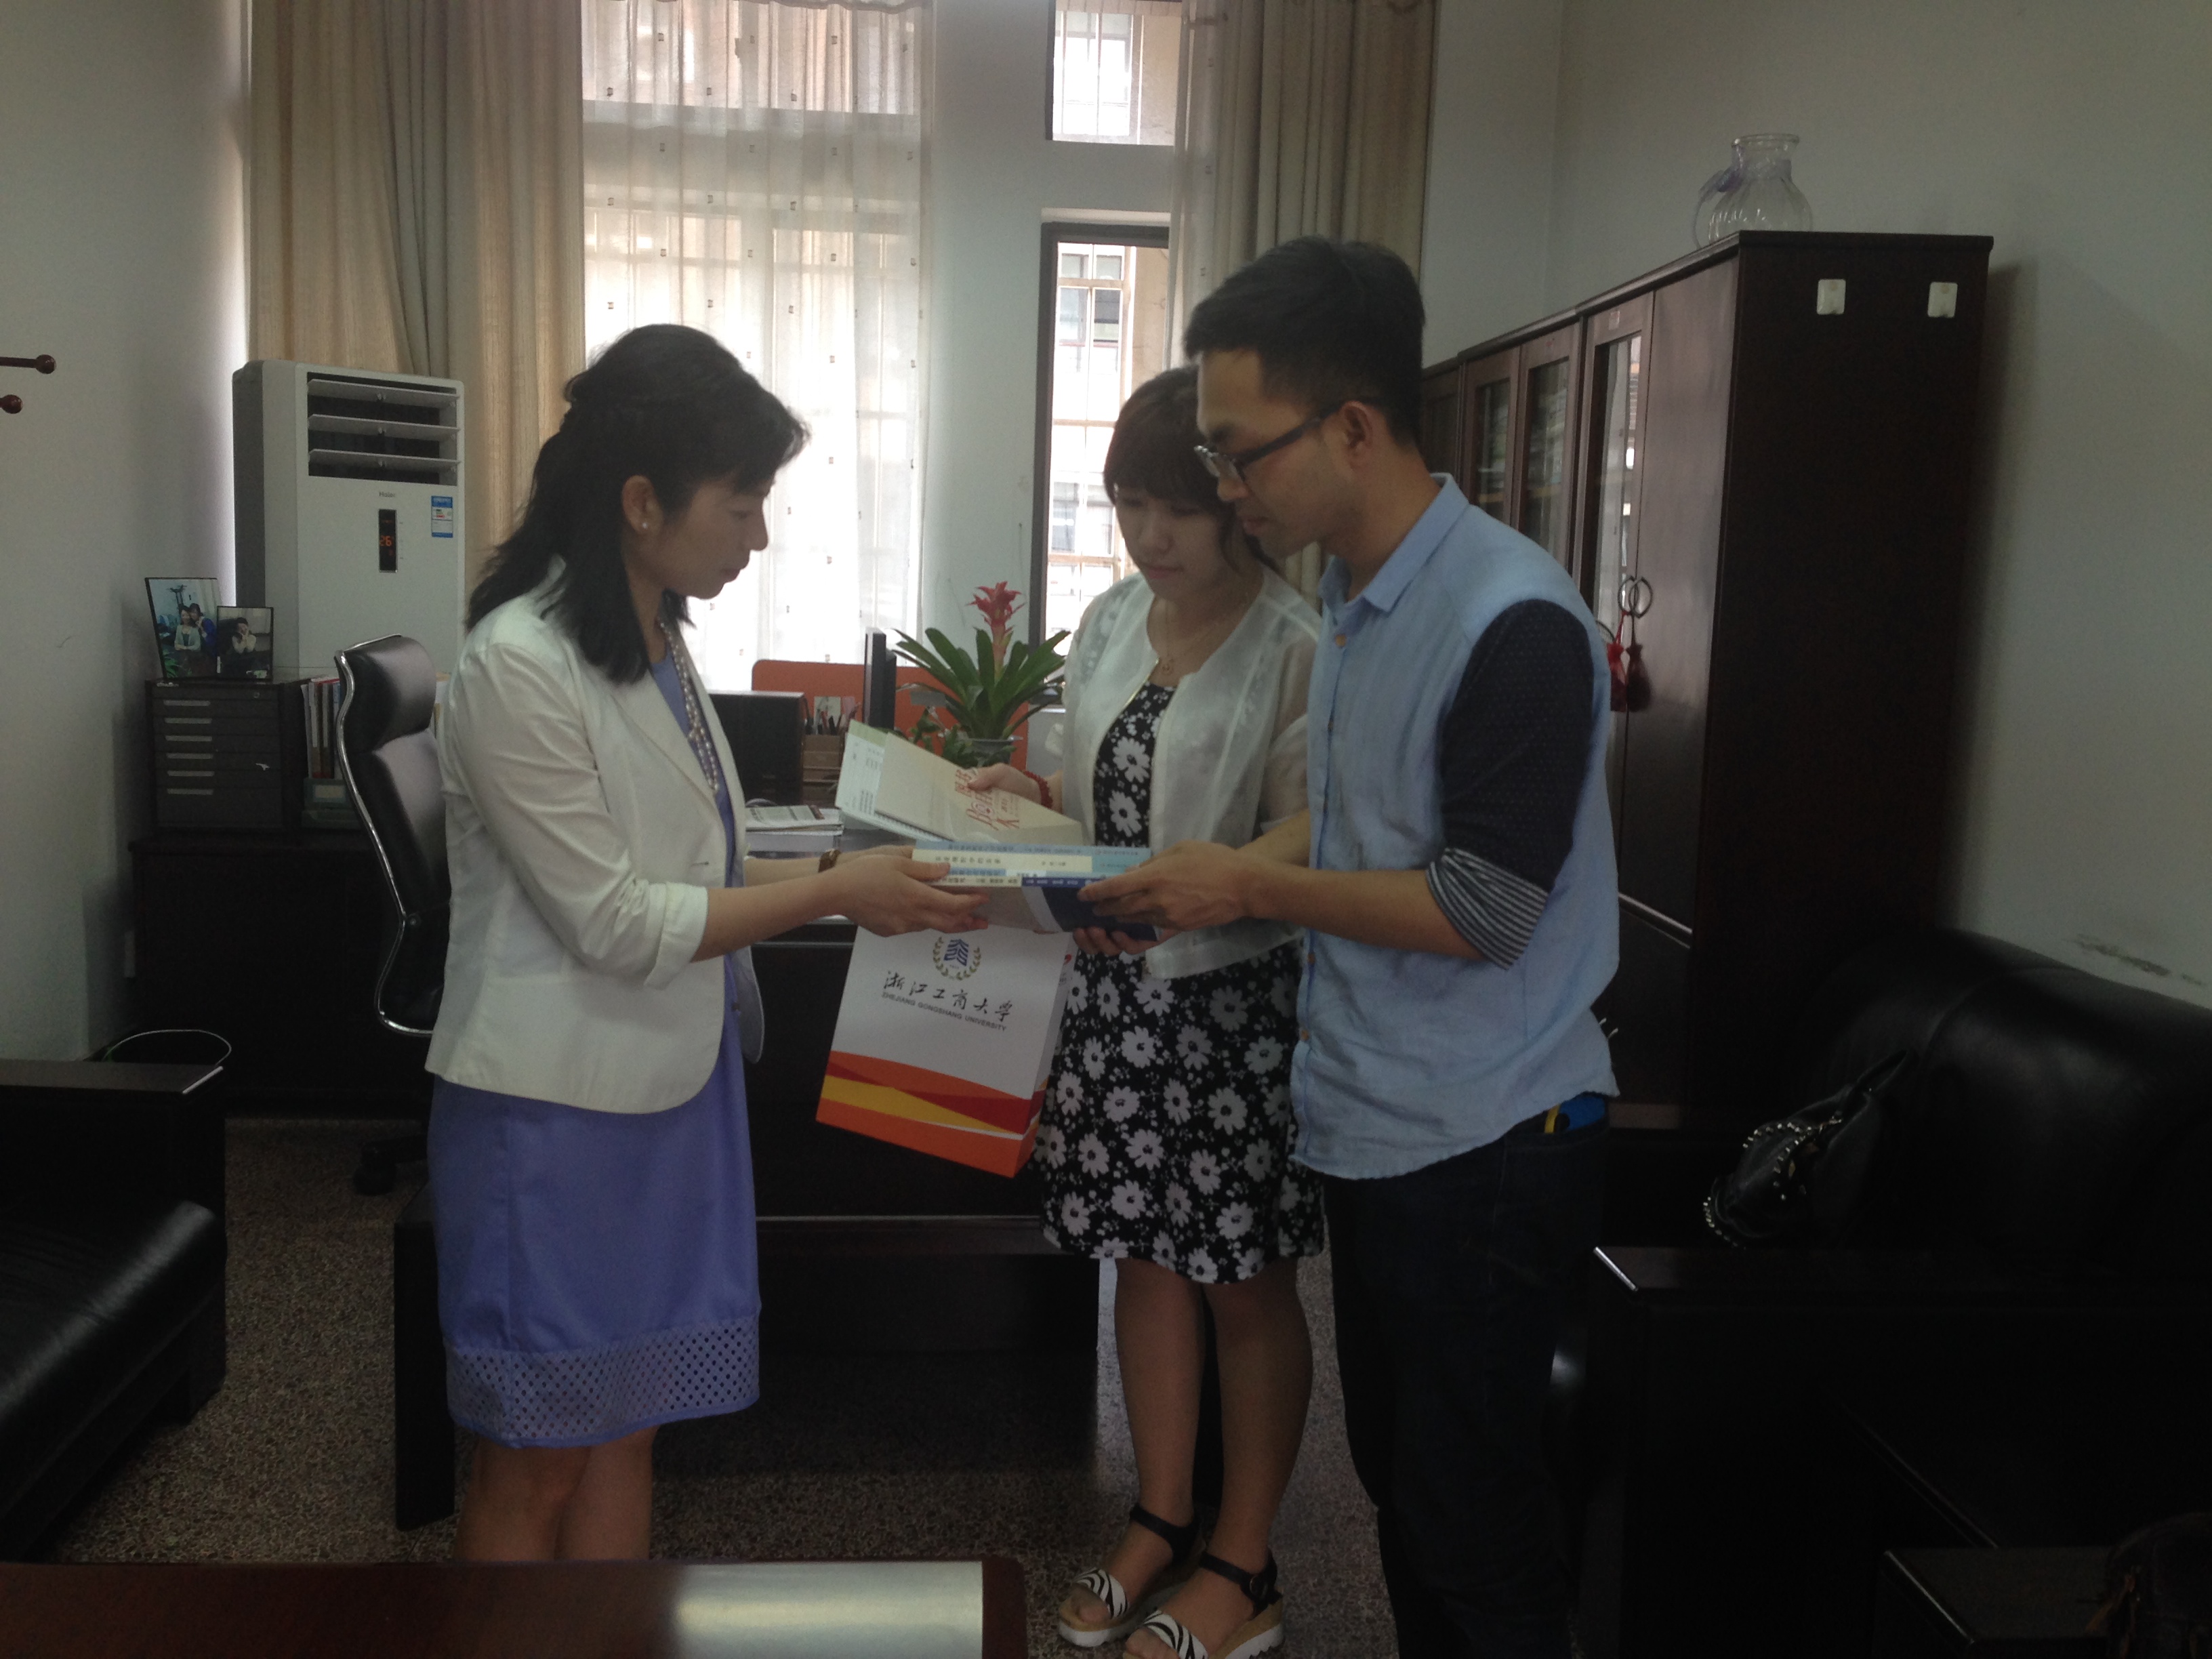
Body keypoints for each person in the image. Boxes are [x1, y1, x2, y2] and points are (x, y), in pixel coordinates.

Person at [1083, 239, 1619, 1659]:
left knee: (1473, 1528)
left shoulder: (1510, 620)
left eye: (1239, 452)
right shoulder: (1359, 602)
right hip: (1382, 1116)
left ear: (1355, 429)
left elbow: (1484, 910)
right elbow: (1354, 822)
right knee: (1408, 1495)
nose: (1226, 488)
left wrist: (1245, 888)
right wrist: (1210, 879)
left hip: (1489, 1134)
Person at [427, 324, 984, 1561]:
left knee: (630, 1425)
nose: (759, 536)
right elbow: (618, 921)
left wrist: (868, 870)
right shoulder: (517, 667)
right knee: (536, 1456)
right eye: (741, 506)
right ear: (641, 503)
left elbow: (705, 871)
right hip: (554, 1114)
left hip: (671, 1087)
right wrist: (838, 889)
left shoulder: (658, 642)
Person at [961, 366, 1322, 1659]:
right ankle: (1160, 1518)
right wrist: (1026, 800)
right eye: (1128, 505)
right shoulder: (1113, 618)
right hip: (1113, 994)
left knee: (1243, 1279)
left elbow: (1314, 829)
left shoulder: (1294, 645)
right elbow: (1094, 793)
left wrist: (1204, 887)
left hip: (1230, 1006)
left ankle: (1245, 1558)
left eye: (1178, 508)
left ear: (1236, 504)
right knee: (1145, 1259)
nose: (1150, 536)